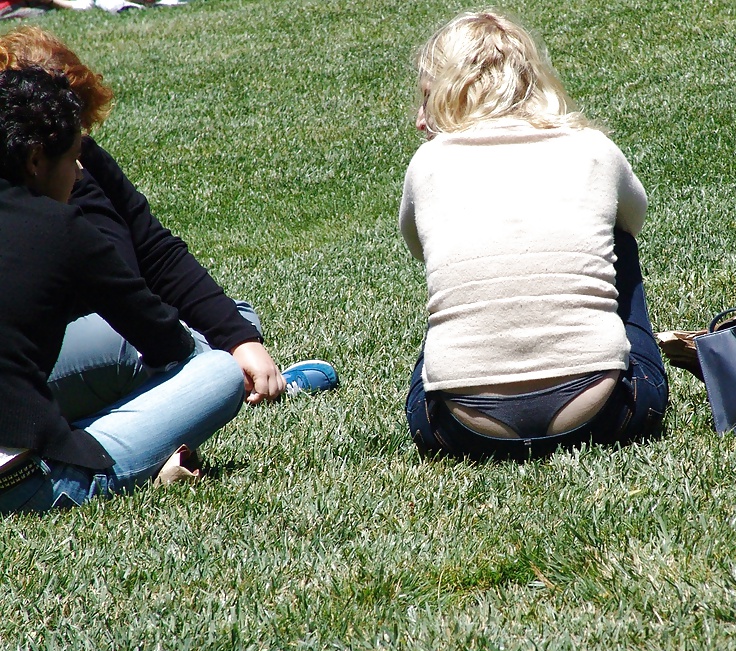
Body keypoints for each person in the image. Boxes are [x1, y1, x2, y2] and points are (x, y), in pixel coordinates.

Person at [0, 26, 338, 422]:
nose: (78, 156)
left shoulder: (81, 160)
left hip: (129, 322)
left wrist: (240, 341)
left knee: (235, 317)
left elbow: (155, 250)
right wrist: (218, 361)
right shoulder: (34, 211)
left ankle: (210, 377)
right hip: (45, 361)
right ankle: (202, 393)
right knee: (130, 342)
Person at [400, 10, 668, 459]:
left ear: (448, 92)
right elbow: (633, 220)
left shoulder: (427, 164)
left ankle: (471, 378)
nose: (418, 119)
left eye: (425, 100)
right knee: (618, 241)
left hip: (457, 431)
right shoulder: (593, 149)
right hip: (608, 415)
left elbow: (416, 247)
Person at [0, 67, 246, 513]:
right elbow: (165, 341)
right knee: (219, 371)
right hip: (19, 480)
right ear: (36, 160)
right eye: (73, 157)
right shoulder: (62, 228)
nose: (78, 172)